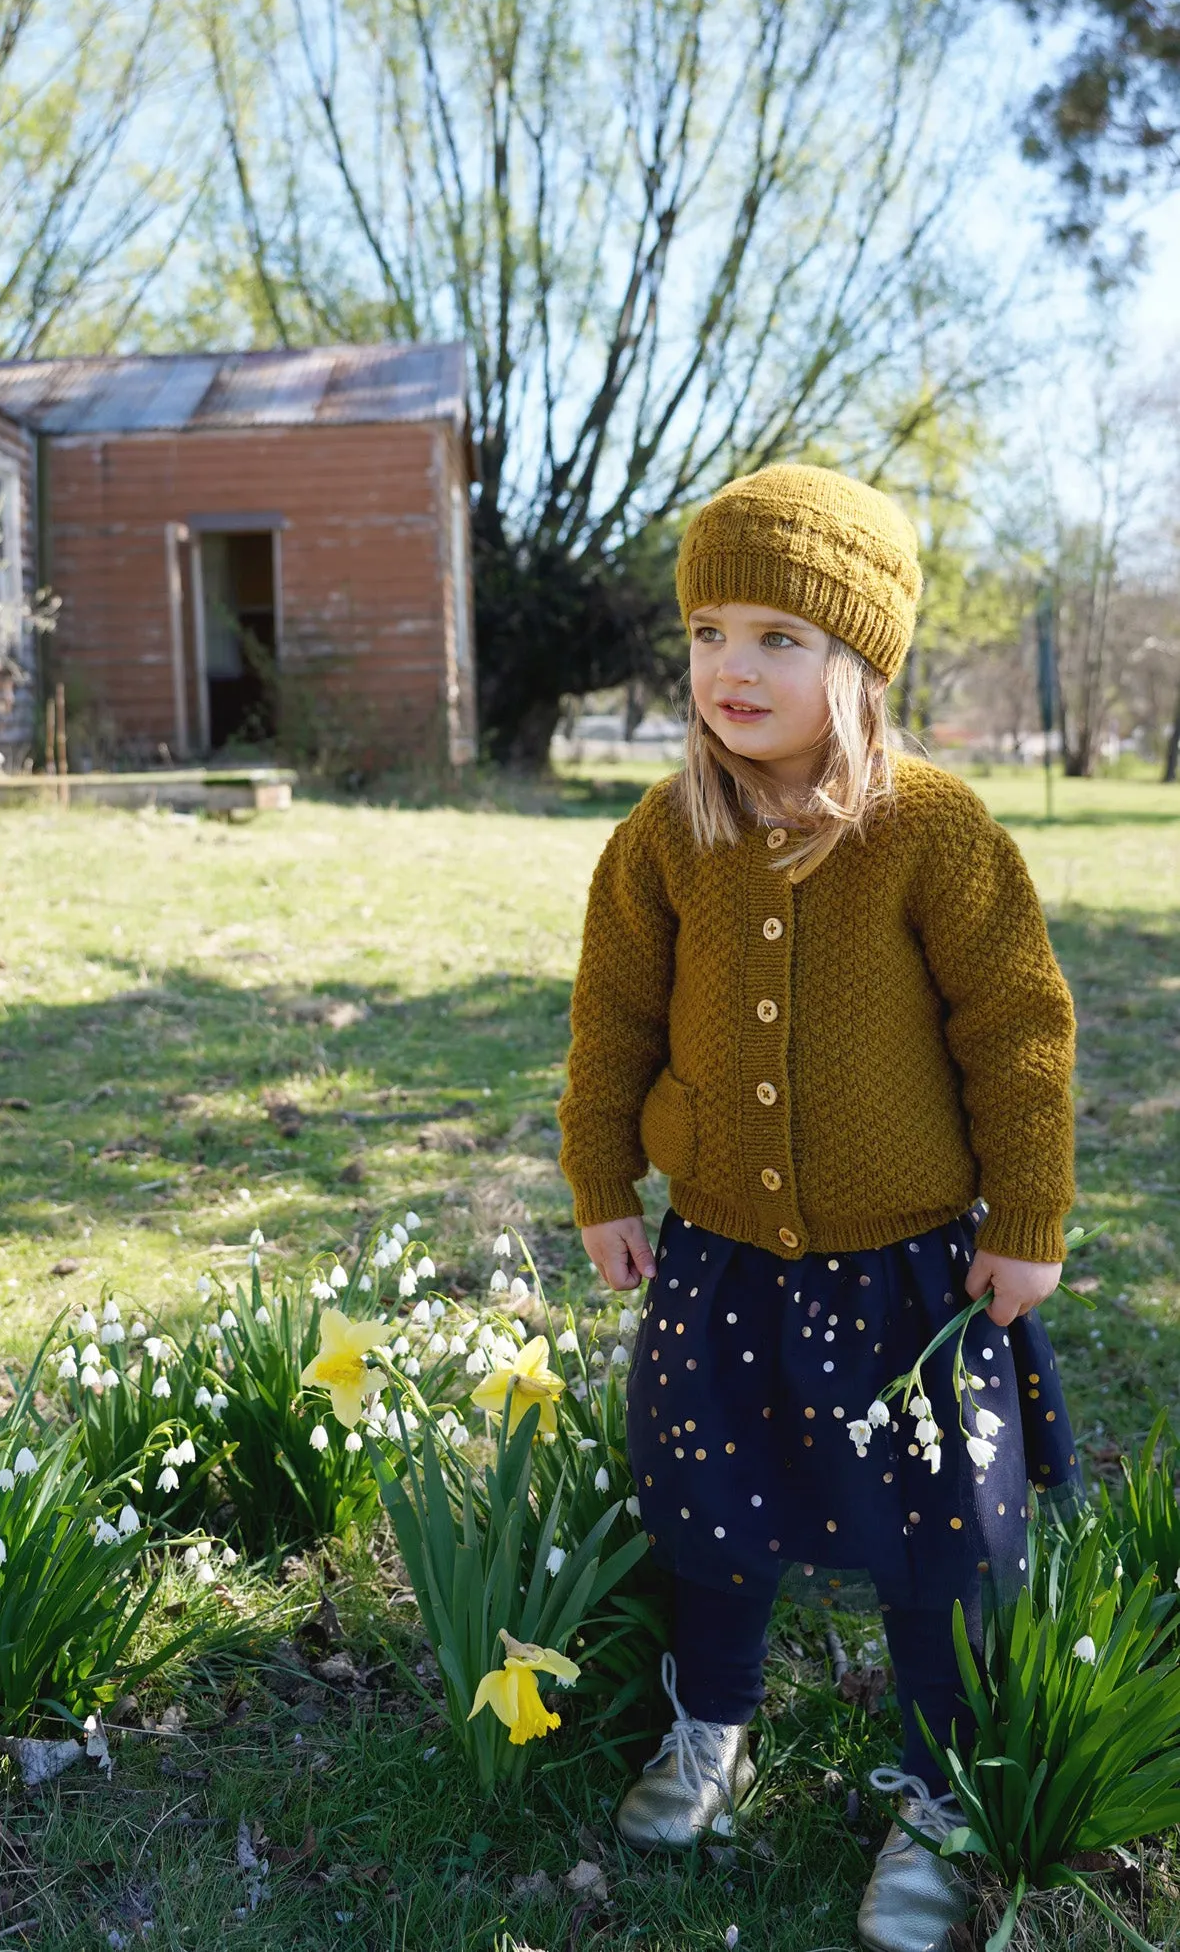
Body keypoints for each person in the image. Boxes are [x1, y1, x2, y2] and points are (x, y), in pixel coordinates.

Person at [558, 464, 1078, 1952]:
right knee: (707, 1506)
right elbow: (612, 1026)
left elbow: (1017, 1030)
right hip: (721, 1255)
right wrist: (605, 1176)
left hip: (913, 1271)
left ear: (860, 659)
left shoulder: (936, 833)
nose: (733, 662)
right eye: (711, 627)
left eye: (779, 635)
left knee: (943, 1540)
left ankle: (938, 1784)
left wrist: (1026, 1211)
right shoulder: (666, 837)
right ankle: (709, 1722)